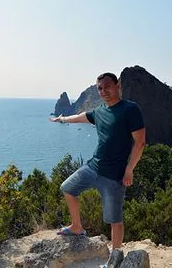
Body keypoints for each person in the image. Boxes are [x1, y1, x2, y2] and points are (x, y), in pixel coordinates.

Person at [50, 72, 146, 253]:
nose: (103, 91)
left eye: (107, 86)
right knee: (67, 188)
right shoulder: (100, 111)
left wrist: (129, 170)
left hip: (113, 176)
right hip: (92, 167)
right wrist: (62, 119)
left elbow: (140, 142)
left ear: (118, 86)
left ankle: (114, 257)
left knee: (114, 220)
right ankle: (76, 226)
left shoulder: (130, 109)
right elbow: (79, 117)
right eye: (100, 88)